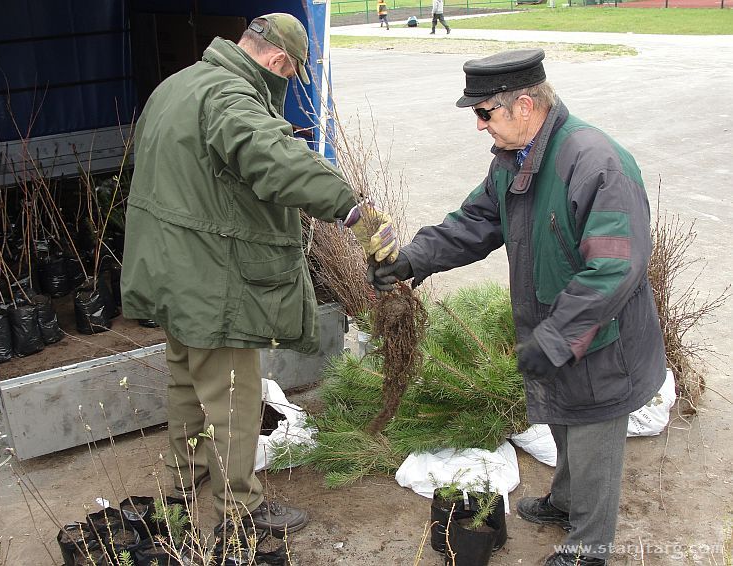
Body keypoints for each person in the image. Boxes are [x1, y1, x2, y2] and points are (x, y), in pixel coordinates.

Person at [370, 49, 665, 566]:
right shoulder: (515, 162)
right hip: (558, 329)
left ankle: (588, 549)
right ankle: (565, 502)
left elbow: (615, 269)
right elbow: (473, 224)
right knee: (564, 419)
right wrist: (410, 261)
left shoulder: (597, 164)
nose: (479, 126)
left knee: (594, 437)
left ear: (524, 106)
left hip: (601, 340)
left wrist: (556, 338)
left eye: (484, 113)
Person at [121, 12, 398, 537]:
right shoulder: (230, 99)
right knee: (234, 397)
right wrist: (352, 210)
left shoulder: (179, 84)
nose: (288, 84)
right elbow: (275, 156)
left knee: (187, 383)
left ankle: (182, 484)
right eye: (290, 74)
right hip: (209, 277)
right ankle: (238, 511)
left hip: (168, 271)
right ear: (276, 59)